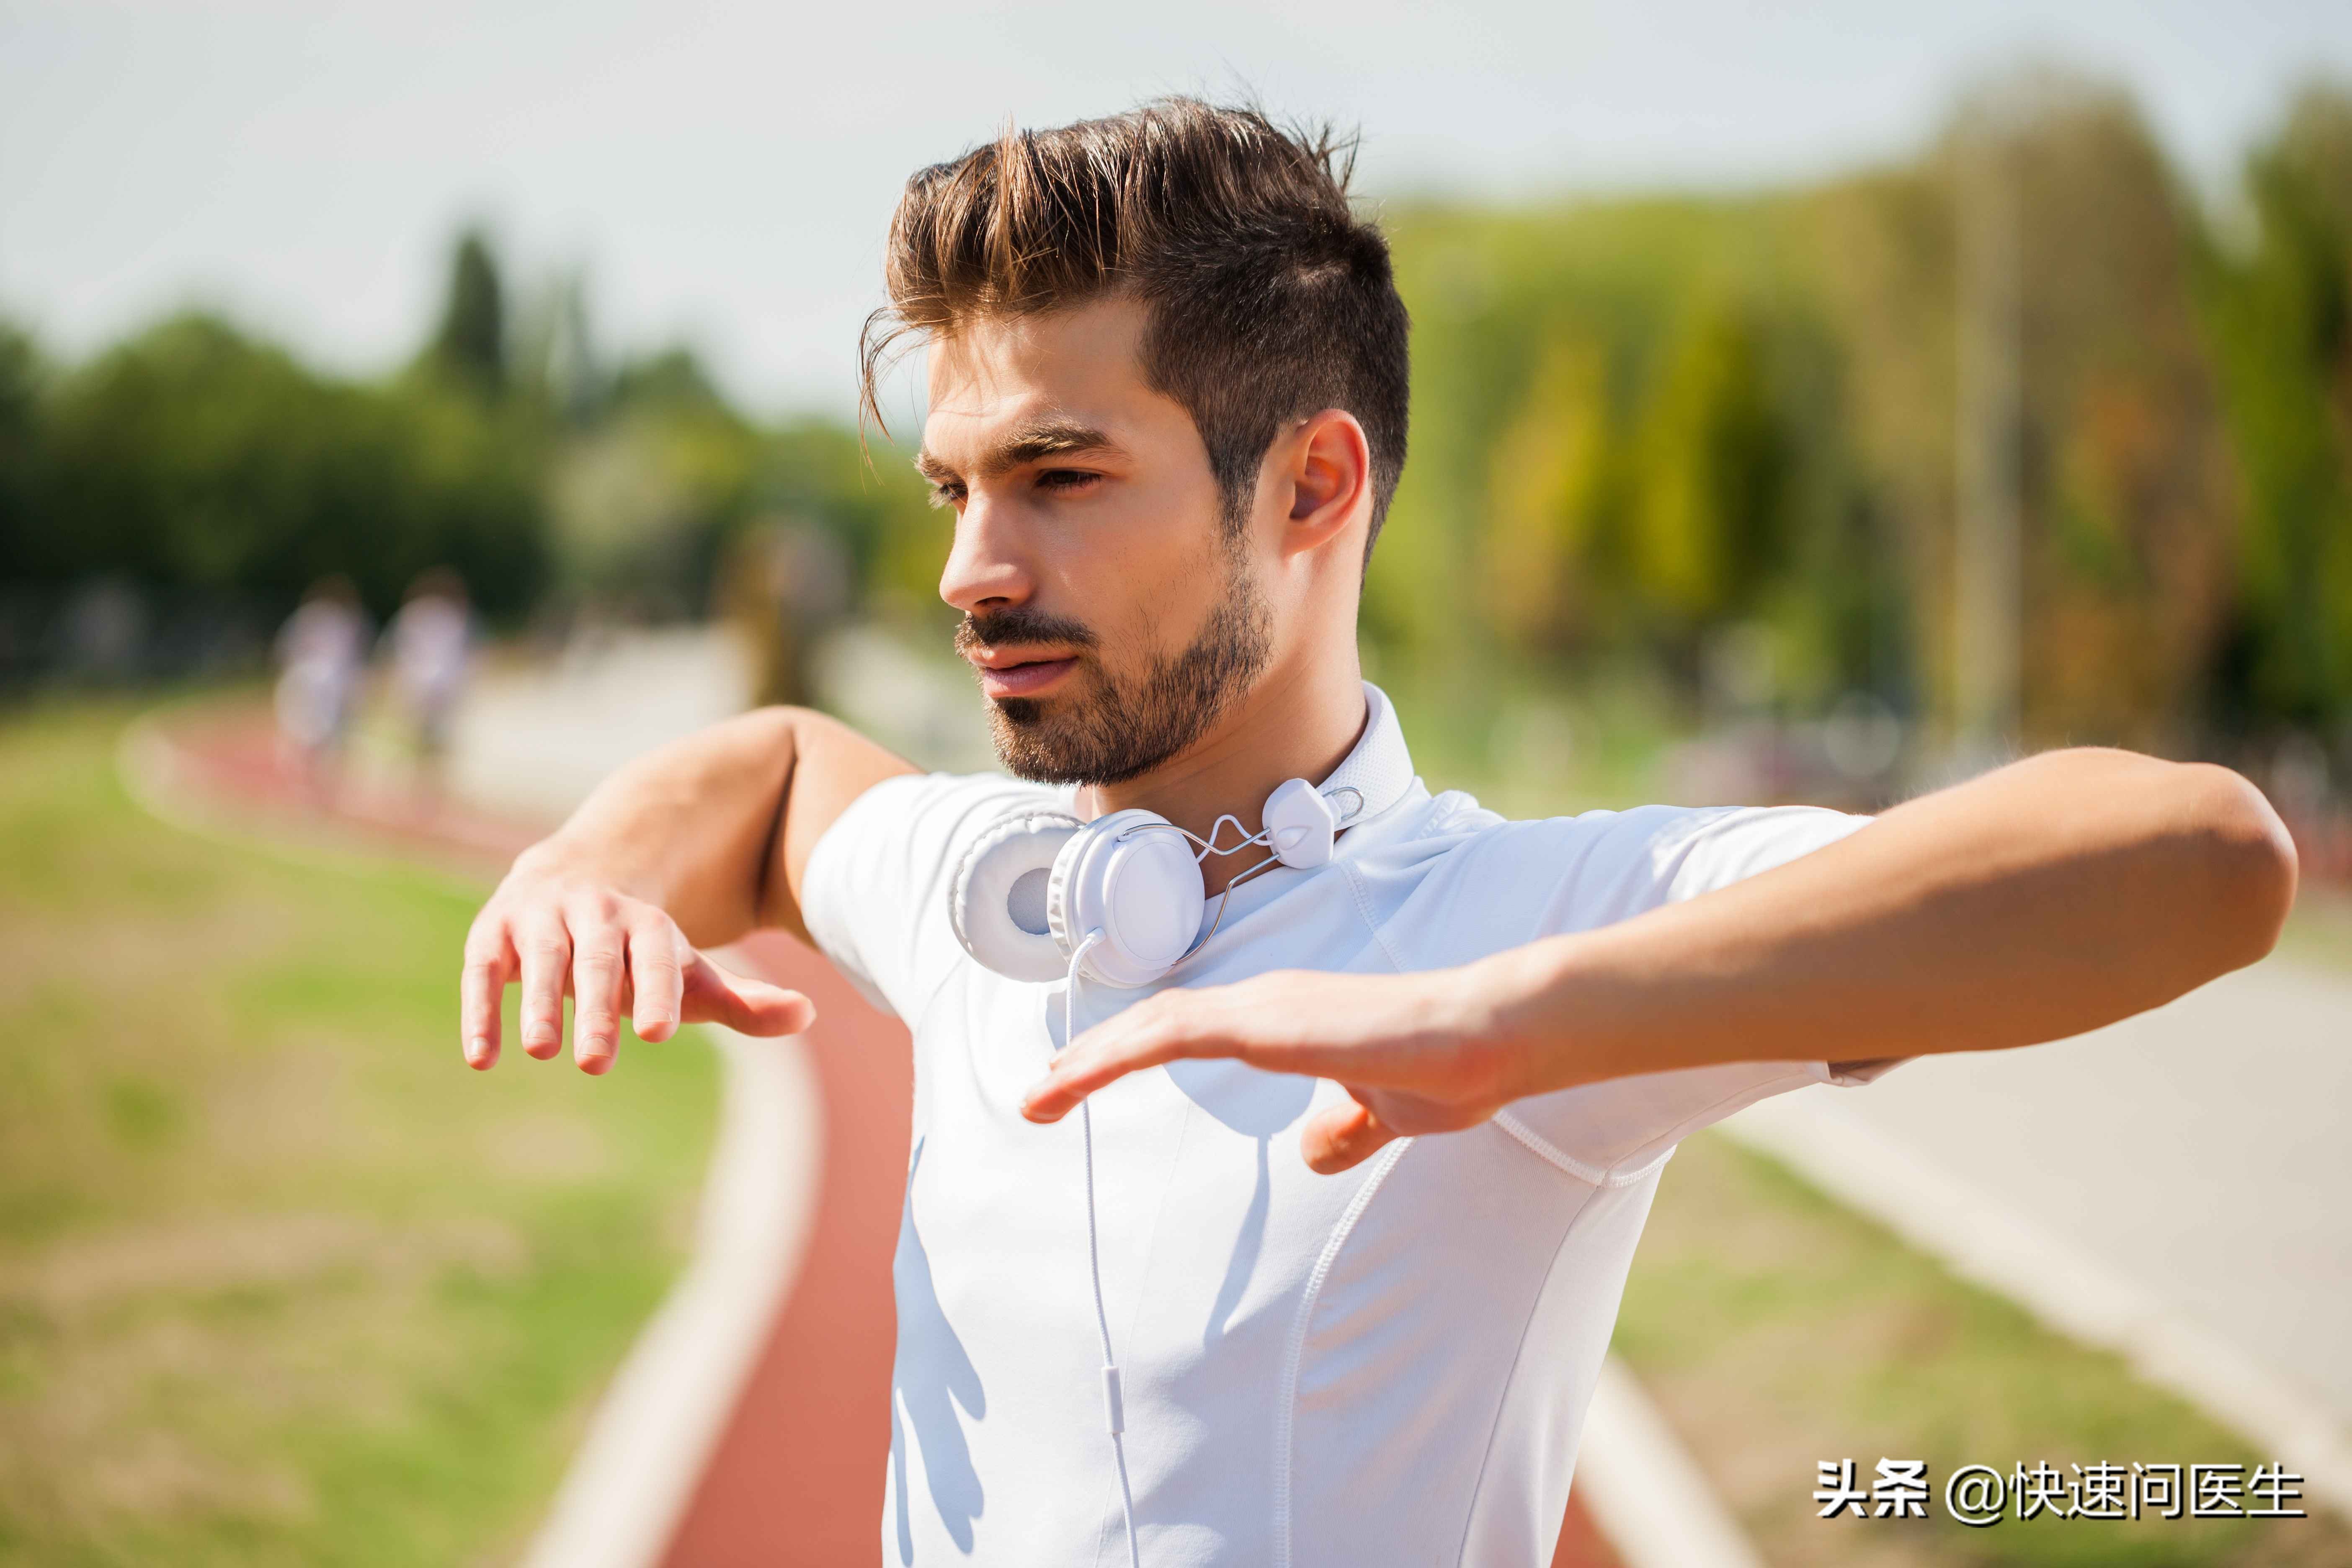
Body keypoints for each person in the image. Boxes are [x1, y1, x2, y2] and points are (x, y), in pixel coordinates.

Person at [457, 102, 2297, 1567]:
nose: (970, 571)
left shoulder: (1524, 924)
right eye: (955, 488)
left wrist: (1515, 1023)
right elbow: (778, 773)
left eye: (1057, 477)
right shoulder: (993, 894)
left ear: (1312, 484)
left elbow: (2201, 859)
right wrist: (584, 868)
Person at [382, 567, 472, 807]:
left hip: (419, 683)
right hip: (440, 686)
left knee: (414, 740)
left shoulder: (416, 613)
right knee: (429, 743)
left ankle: (409, 786)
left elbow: (399, 649)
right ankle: (423, 789)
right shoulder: (454, 618)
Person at [273, 575, 369, 795]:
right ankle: (317, 778)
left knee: (308, 731)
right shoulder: (344, 620)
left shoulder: (311, 616)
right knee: (322, 732)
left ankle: (309, 777)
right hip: (327, 680)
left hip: (310, 678)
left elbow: (286, 650)